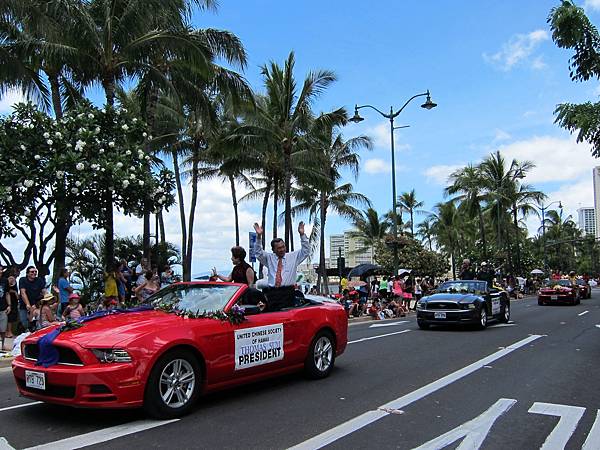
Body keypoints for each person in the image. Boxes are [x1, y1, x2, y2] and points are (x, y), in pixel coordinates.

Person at [253, 221, 310, 311]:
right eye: (279, 248)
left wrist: (302, 234)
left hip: (288, 293)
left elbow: (306, 251)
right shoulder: (269, 258)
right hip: (273, 293)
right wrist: (259, 237)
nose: (282, 249)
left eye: (283, 247)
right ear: (273, 249)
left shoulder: (293, 257)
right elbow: (258, 253)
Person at [19, 266, 47, 332]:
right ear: (27, 273)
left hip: (36, 304)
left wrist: (48, 297)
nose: (34, 273)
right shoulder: (22, 279)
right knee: (24, 322)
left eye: (35, 272)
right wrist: (27, 304)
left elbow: (44, 291)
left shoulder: (39, 280)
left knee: (35, 322)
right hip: (24, 304)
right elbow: (23, 292)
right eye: (32, 272)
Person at [0, 275, 10, 350]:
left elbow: (7, 293)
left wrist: (9, 305)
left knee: (3, 329)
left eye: (1, 269)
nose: (0, 271)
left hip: (3, 307)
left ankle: (2, 345)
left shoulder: (5, 281)